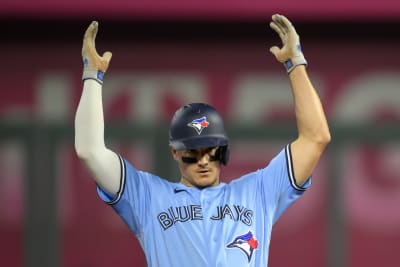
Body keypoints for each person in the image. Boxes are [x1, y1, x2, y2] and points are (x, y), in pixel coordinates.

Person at [75, 14, 331, 267]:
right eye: (193, 152)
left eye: (211, 151)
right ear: (174, 152)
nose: (204, 161)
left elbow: (316, 138)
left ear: (224, 151)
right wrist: (92, 76)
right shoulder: (148, 197)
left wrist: (295, 64)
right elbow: (90, 151)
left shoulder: (258, 192)